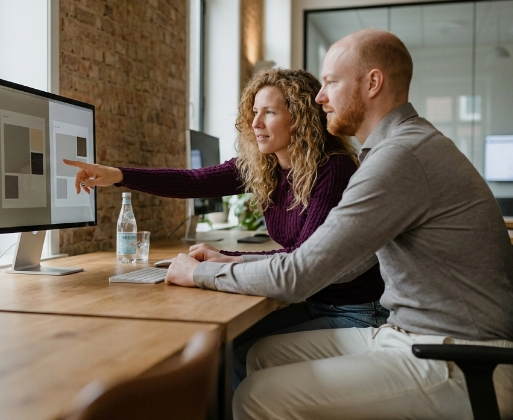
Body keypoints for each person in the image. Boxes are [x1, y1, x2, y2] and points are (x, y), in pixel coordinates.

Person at [166, 28, 513, 419]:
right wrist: (229, 262)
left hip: (464, 362)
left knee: (256, 396)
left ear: (373, 83)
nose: (319, 98)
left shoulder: (400, 157)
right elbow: (334, 260)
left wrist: (200, 275)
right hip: (409, 336)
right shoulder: (395, 149)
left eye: (331, 83)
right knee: (258, 355)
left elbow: (300, 276)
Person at [63, 68, 387, 387]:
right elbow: (193, 180)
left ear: (300, 118)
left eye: (269, 112)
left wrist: (226, 260)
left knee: (239, 352)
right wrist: (118, 175)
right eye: (254, 112)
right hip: (317, 302)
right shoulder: (268, 166)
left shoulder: (332, 169)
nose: (256, 123)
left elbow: (301, 262)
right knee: (227, 343)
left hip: (356, 311)